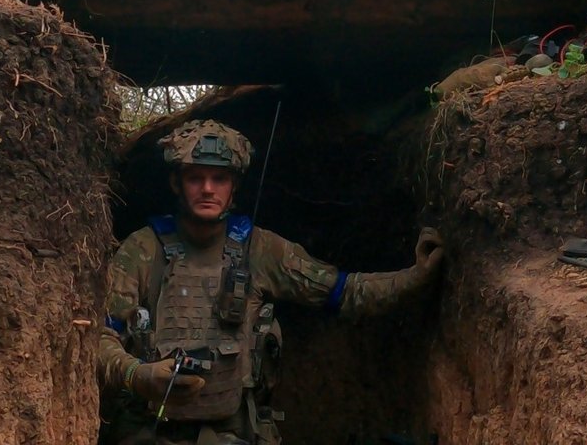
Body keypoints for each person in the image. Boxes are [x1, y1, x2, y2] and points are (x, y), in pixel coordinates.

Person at [98, 119, 445, 445]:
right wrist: (136, 375)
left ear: (234, 187)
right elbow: (98, 339)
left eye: (219, 178)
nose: (207, 189)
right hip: (152, 432)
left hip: (235, 432)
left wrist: (415, 277)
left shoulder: (261, 250)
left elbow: (345, 291)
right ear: (176, 183)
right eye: (195, 178)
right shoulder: (143, 250)